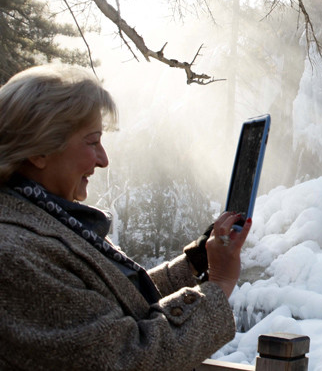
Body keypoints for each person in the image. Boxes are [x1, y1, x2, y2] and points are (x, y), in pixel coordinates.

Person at [0, 64, 252, 370]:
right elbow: (126, 357)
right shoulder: (14, 255)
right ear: (38, 150)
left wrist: (195, 263)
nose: (103, 160)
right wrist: (219, 285)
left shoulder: (42, 221)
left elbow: (113, 304)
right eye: (92, 142)